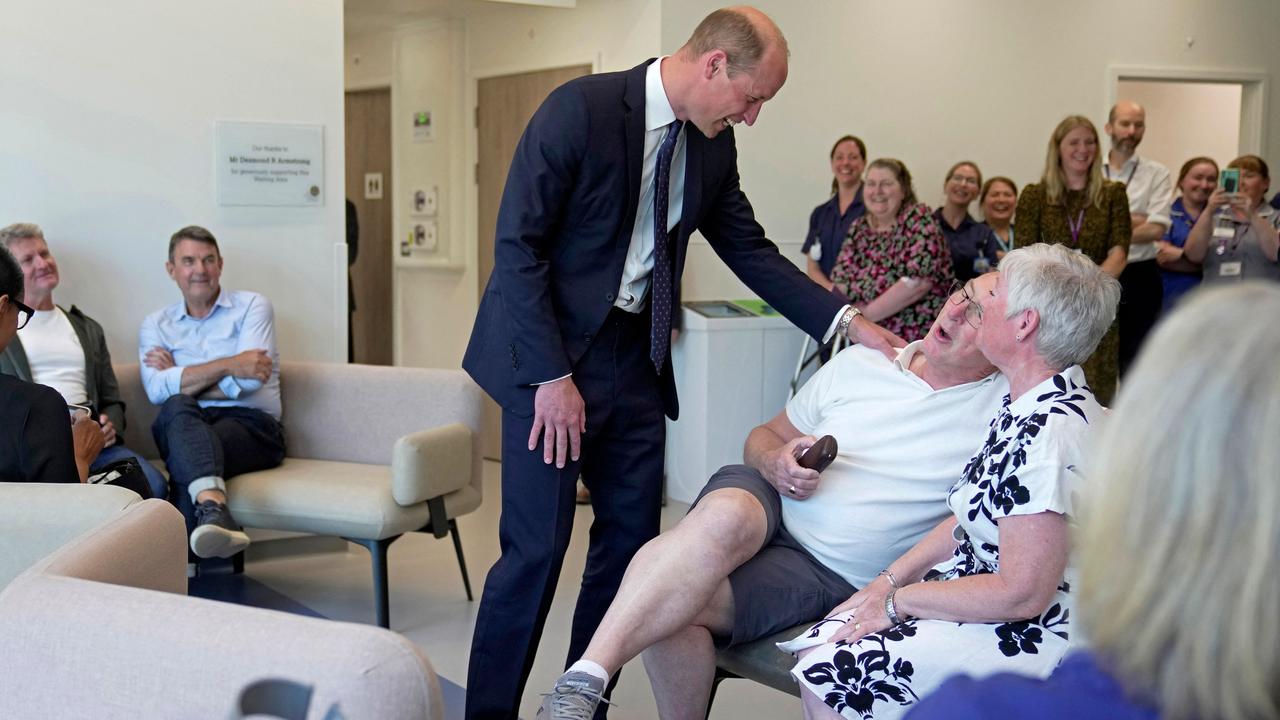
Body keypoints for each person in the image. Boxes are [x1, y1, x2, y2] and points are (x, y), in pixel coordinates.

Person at [460, 8, 902, 719]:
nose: (753, 117)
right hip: (548, 357)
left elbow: (750, 250)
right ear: (714, 65)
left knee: (631, 550)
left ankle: (583, 703)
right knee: (535, 554)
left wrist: (849, 321)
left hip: (635, 363)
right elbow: (517, 248)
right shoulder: (581, 110)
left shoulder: (714, 147)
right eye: (754, 97)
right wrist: (550, 377)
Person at [541, 282, 1010, 718]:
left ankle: (577, 686)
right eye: (960, 294)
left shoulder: (1005, 411)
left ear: (1005, 339)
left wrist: (894, 587)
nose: (955, 310)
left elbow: (976, 524)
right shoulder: (864, 361)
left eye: (977, 313)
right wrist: (775, 462)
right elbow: (763, 436)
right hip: (764, 497)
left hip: (826, 567)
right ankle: (586, 678)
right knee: (720, 519)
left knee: (672, 605)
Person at [905, 283, 1280, 720]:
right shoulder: (1039, 411)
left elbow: (1021, 590)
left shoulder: (975, 707)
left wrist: (902, 599)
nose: (963, 311)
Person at [784, 243, 1120, 720]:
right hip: (989, 592)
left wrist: (898, 603)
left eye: (996, 291)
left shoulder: (1047, 434)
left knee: (832, 666)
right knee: (825, 639)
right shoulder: (1032, 400)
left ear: (1024, 324)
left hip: (1040, 631)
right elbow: (971, 517)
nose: (973, 302)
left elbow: (1022, 593)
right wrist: (886, 583)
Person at [140, 225, 285, 560]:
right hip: (189, 418)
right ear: (171, 269)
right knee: (178, 406)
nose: (200, 270)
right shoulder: (156, 324)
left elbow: (251, 381)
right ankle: (214, 509)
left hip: (253, 426)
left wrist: (181, 372)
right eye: (188, 261)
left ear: (220, 264)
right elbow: (156, 390)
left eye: (208, 260)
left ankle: (179, 571)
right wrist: (231, 363)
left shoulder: (253, 306)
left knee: (182, 437)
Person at [0, 223, 168, 499]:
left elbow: (113, 399)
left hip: (94, 439)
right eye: (28, 259)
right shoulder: (7, 331)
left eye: (45, 253)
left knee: (153, 485)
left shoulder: (87, 328)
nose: (42, 263)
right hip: (38, 444)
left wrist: (109, 425)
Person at [1014, 115, 1130, 405]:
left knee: (1096, 396)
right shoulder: (1034, 195)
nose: (1083, 149)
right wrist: (1060, 297)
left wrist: (1089, 295)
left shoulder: (1114, 194)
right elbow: (1025, 253)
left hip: (1096, 308)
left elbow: (1119, 252)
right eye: (1074, 142)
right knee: (1045, 393)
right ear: (1058, 148)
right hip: (1046, 310)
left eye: (1090, 142)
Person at [0, 244, 104, 484]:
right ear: (3, 306)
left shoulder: (87, 327)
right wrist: (79, 455)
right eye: (21, 312)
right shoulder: (39, 407)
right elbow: (62, 514)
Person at [829, 158, 955, 343]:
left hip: (915, 340)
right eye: (871, 184)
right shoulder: (859, 227)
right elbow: (841, 279)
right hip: (865, 337)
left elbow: (916, 284)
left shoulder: (918, 219)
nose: (877, 191)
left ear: (903, 190)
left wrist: (863, 317)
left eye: (886, 184)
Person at [1102, 101, 1173, 378]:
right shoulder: (1092, 171)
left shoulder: (1157, 173)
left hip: (1140, 275)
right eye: (1125, 124)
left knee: (1137, 358)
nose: (1131, 131)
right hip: (1101, 270)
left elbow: (1156, 229)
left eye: (1138, 125)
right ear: (1109, 127)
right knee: (1096, 351)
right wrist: (1135, 220)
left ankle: (1132, 420)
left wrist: (1109, 226)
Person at [1183, 154, 1280, 286]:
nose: (1241, 183)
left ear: (1265, 182)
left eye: (1249, 176)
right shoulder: (1214, 218)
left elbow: (1276, 253)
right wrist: (1209, 209)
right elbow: (1194, 255)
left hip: (1261, 301)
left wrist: (1251, 214)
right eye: (1236, 177)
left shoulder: (1276, 217)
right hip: (1217, 298)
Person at [802, 135, 867, 289]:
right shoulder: (820, 214)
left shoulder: (875, 211)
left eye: (853, 157)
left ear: (864, 163)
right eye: (839, 157)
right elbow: (812, 265)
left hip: (863, 301)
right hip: (826, 300)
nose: (845, 163)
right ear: (832, 164)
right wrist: (832, 292)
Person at [1154, 156, 1217, 313]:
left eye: (1211, 179)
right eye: (1198, 178)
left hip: (1213, 300)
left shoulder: (1223, 216)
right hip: (1173, 299)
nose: (1204, 185)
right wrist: (1212, 263)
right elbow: (1164, 258)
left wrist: (1182, 255)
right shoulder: (1165, 214)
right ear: (1182, 181)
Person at [934, 162, 1000, 282]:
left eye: (971, 181)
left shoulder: (983, 234)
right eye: (958, 178)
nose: (963, 184)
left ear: (977, 193)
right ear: (945, 185)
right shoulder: (926, 226)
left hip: (967, 298)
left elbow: (986, 276)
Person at [979, 177, 1017, 261]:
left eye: (1007, 195)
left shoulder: (1026, 235)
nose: (1001, 200)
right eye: (994, 194)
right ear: (983, 201)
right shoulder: (974, 234)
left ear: (1015, 201)